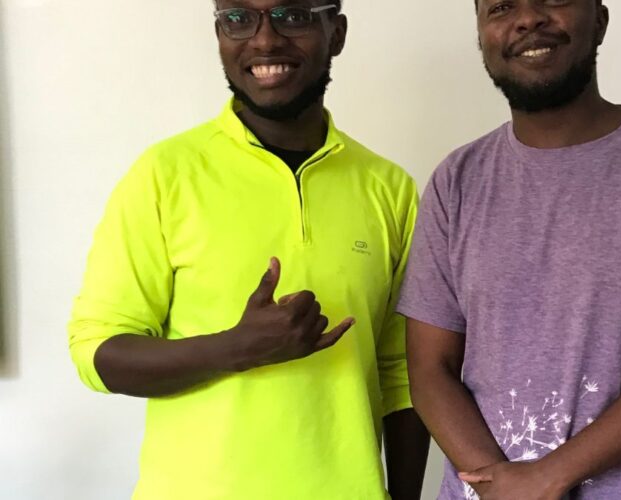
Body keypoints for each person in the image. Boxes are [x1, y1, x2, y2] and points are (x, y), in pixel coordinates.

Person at [68, 1, 429, 498]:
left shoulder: (390, 189)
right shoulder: (164, 175)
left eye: (292, 15)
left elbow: (405, 373)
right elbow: (95, 352)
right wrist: (234, 348)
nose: (264, 39)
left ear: (336, 32)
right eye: (238, 18)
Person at [398, 1, 621, 499]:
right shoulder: (457, 180)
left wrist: (547, 478)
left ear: (600, 21)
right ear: (481, 36)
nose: (528, 18)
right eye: (501, 7)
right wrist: (500, 485)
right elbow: (429, 368)